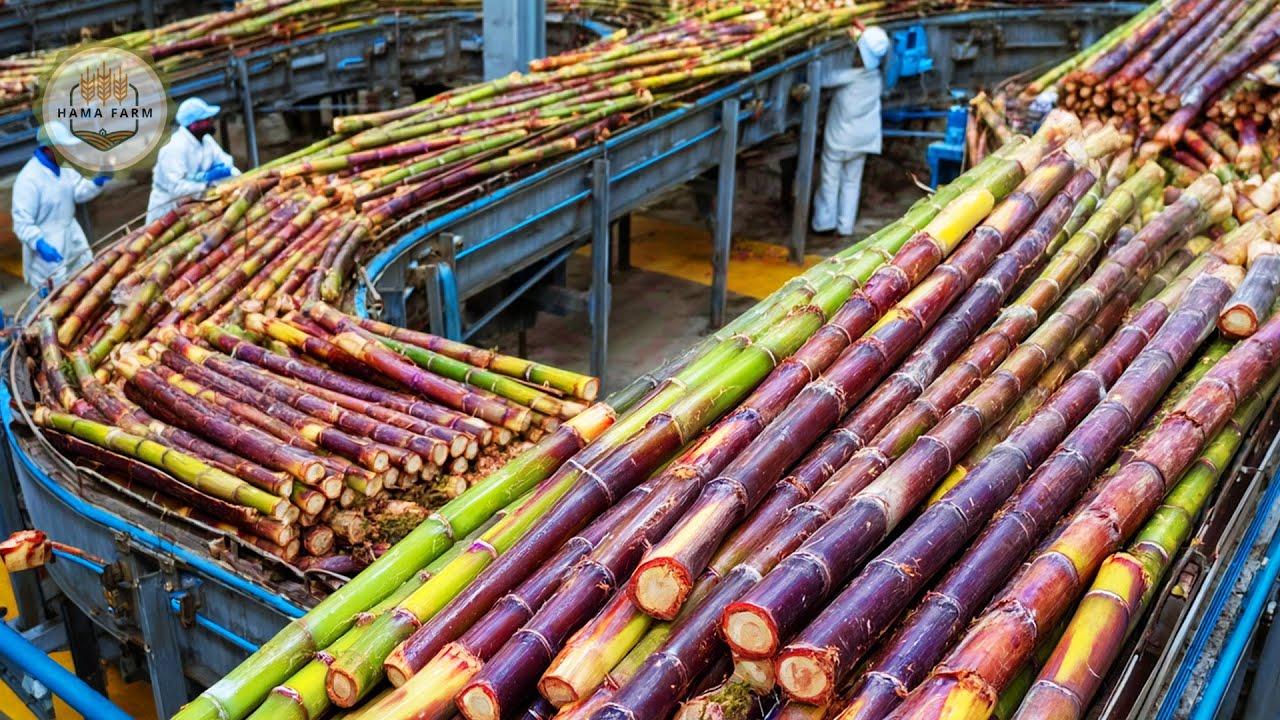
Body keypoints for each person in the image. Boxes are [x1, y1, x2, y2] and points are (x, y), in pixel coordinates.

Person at [11, 122, 109, 294]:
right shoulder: (28, 179)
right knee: (57, 293)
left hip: (71, 233)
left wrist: (96, 182)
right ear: (49, 149)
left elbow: (77, 192)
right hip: (48, 244)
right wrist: (39, 243)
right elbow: (22, 223)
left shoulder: (65, 169)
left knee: (85, 277)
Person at [812, 26, 891, 237]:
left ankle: (824, 224)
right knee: (851, 182)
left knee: (830, 180)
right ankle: (845, 227)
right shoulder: (876, 78)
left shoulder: (849, 76)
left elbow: (822, 78)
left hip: (839, 141)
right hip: (864, 141)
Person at [147, 97, 239, 223]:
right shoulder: (173, 148)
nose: (212, 121)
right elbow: (177, 189)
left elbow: (226, 162)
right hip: (168, 211)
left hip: (195, 204)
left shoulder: (206, 140)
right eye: (206, 119)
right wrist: (206, 183)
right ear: (193, 124)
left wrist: (228, 173)